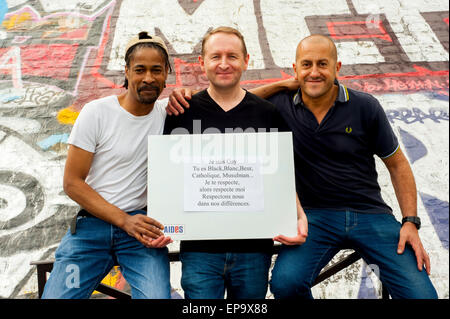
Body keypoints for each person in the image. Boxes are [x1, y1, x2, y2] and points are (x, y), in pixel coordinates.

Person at [166, 34, 438, 299]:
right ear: (296, 70)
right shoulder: (278, 107)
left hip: (370, 214)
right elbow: (236, 102)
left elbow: (398, 164)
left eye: (323, 64)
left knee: (421, 294)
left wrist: (410, 222)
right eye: (306, 65)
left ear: (337, 67)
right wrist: (195, 98)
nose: (314, 72)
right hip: (314, 217)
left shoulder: (365, 106)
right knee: (285, 285)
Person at [163, 26, 308, 299]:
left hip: (252, 249)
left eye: (232, 56)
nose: (224, 63)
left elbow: (281, 176)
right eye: (215, 56)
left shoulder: (267, 114)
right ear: (202, 63)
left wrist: (297, 214)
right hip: (199, 250)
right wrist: (162, 222)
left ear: (246, 61)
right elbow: (168, 178)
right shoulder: (181, 112)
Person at [42, 32, 173, 299]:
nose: (148, 77)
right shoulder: (97, 112)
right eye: (140, 69)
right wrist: (124, 221)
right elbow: (72, 183)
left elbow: (229, 99)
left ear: (166, 74)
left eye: (156, 70)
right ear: (126, 72)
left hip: (141, 234)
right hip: (91, 230)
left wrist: (280, 86)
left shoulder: (169, 113)